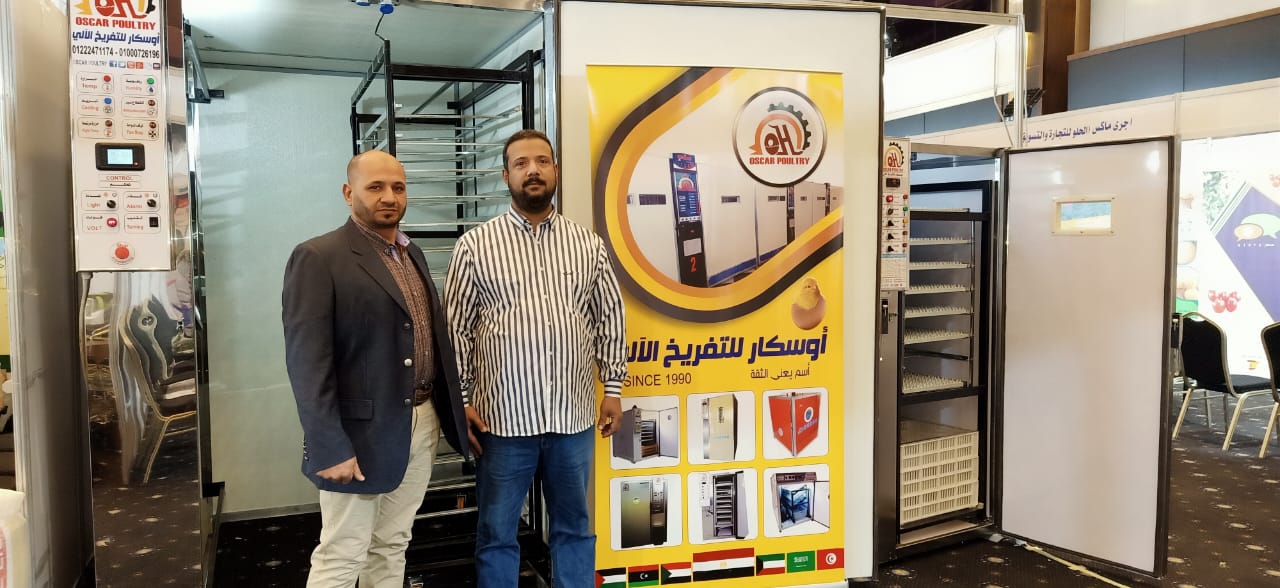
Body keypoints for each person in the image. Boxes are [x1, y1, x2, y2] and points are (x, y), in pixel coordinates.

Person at [444, 129, 627, 587]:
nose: (533, 170)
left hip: (572, 419)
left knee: (574, 529)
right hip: (502, 424)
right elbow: (456, 330)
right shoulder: (475, 246)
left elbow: (609, 317)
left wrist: (614, 388)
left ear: (556, 171)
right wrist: (461, 399)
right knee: (496, 533)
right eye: (522, 163)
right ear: (506, 175)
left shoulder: (587, 245)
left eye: (542, 161)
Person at [282, 150, 470, 587]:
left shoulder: (411, 253)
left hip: (420, 422)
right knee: (343, 552)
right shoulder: (318, 256)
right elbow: (308, 362)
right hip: (358, 436)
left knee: (392, 542)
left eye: (398, 187)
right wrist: (329, 445)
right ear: (349, 193)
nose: (389, 196)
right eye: (376, 187)